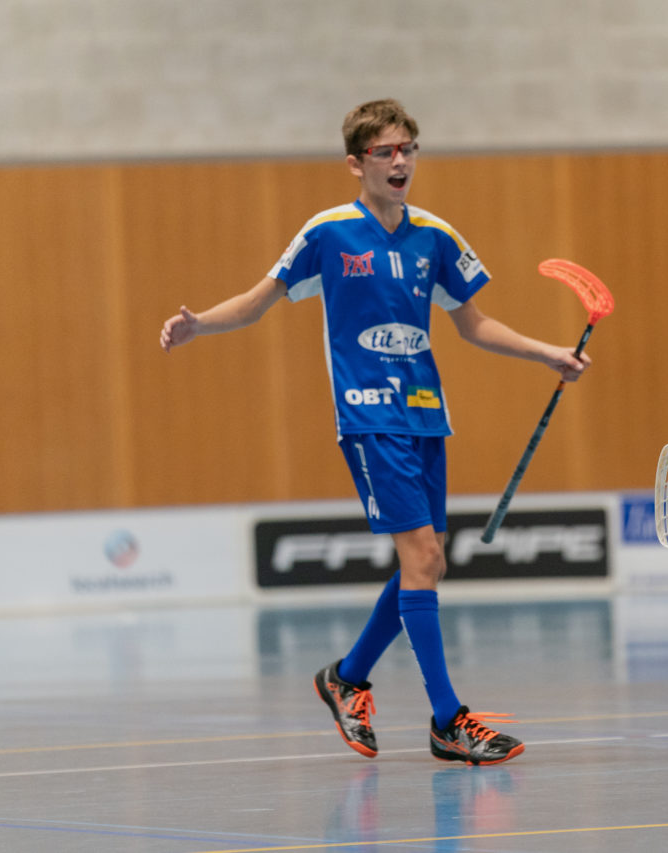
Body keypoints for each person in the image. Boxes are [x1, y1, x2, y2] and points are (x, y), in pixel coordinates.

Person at [159, 98, 590, 766]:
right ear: (355, 164)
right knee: (421, 558)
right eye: (385, 151)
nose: (400, 161)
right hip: (367, 414)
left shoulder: (435, 236)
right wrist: (199, 325)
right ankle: (448, 720)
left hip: (425, 413)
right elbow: (257, 301)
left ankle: (346, 677)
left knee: (429, 562)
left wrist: (547, 353)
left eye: (408, 149)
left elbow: (473, 323)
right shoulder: (328, 233)